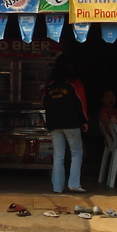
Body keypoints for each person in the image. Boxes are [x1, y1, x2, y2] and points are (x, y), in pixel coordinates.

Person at [42, 58, 88, 193]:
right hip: (71, 123)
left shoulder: (49, 85)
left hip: (54, 123)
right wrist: (85, 120)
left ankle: (57, 187)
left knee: (58, 155)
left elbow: (43, 103)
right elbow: (82, 103)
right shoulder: (74, 83)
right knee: (76, 153)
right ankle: (74, 183)